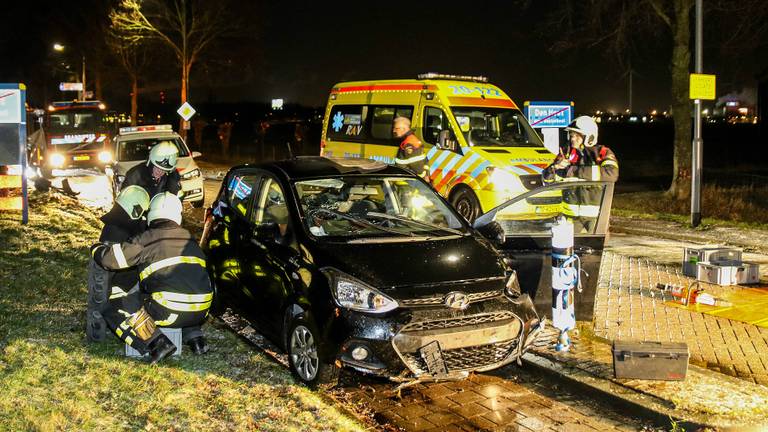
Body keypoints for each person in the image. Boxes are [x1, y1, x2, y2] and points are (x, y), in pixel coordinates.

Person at [91, 192, 213, 363]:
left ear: (151, 214)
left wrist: (97, 248)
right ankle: (196, 340)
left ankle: (156, 343)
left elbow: (110, 260)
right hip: (202, 311)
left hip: (171, 311)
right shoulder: (189, 239)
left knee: (114, 308)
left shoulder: (148, 238)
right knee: (182, 290)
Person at [87, 185, 151, 343]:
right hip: (127, 288)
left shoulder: (113, 227)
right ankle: (149, 339)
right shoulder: (123, 232)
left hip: (125, 285)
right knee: (108, 302)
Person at [542, 115, 619, 231]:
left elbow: (611, 174)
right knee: (565, 248)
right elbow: (547, 182)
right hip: (570, 218)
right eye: (572, 135)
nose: (573, 139)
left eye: (577, 136)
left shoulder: (602, 153)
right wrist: (553, 168)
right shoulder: (566, 154)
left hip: (596, 217)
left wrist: (574, 170)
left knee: (596, 248)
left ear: (589, 136)